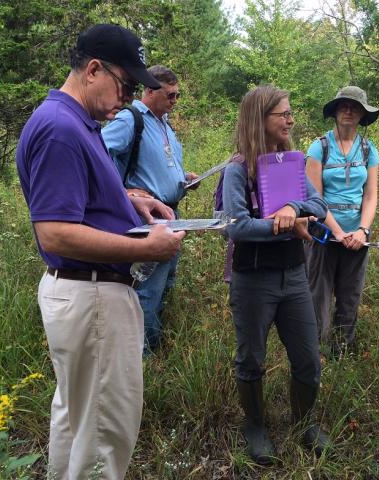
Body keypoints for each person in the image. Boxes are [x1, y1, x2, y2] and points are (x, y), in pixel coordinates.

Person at [16, 24, 186, 480]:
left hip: (85, 295)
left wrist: (129, 197)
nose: (127, 98)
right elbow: (55, 232)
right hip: (92, 297)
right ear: (94, 69)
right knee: (106, 428)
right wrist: (148, 247)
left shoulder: (76, 122)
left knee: (77, 418)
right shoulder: (60, 129)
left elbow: (79, 198)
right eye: (125, 85)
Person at [222, 85, 329, 465]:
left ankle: (304, 422)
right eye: (282, 114)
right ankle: (255, 425)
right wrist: (281, 225)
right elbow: (236, 227)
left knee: (308, 359)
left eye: (290, 113)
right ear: (259, 119)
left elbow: (319, 203)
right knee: (250, 358)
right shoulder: (237, 170)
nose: (290, 119)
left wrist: (292, 205)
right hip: (253, 281)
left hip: (295, 277)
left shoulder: (293, 164)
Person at [102, 65, 198, 354]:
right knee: (147, 290)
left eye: (178, 95)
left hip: (171, 214)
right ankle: (141, 358)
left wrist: (184, 180)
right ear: (150, 90)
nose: (175, 101)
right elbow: (98, 153)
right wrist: (125, 193)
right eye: (170, 95)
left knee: (165, 284)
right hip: (148, 218)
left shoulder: (164, 124)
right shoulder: (131, 119)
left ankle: (155, 350)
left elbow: (163, 167)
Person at [305, 86, 379, 356]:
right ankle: (315, 355)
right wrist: (338, 232)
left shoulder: (369, 149)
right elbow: (315, 200)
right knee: (318, 298)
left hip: (358, 238)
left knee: (350, 297)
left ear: (362, 114)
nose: (348, 111)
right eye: (343, 106)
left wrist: (362, 230)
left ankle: (343, 353)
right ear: (335, 112)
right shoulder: (319, 148)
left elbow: (370, 196)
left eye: (355, 107)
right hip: (324, 237)